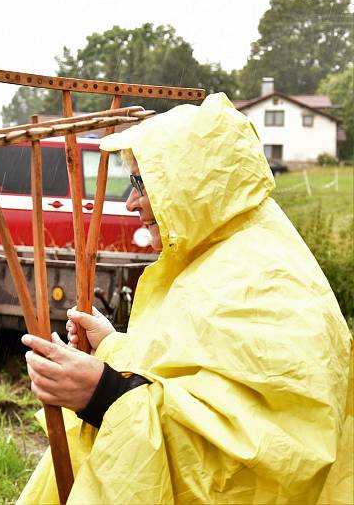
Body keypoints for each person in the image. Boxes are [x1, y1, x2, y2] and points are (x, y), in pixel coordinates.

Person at [19, 93, 353, 504]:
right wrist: (113, 346)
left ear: (195, 184)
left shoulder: (268, 282)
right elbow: (190, 371)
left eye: (143, 182)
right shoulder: (213, 259)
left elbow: (266, 459)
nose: (131, 202)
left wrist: (103, 393)